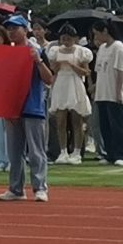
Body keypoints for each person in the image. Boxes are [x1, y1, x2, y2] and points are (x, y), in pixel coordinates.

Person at [0, 16, 52, 202]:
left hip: (32, 106)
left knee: (36, 151)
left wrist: (38, 61)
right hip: (13, 107)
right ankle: (16, 188)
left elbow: (49, 79)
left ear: (25, 30)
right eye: (9, 29)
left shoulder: (37, 50)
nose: (11, 32)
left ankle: (40, 187)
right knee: (14, 152)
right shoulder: (8, 53)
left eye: (15, 28)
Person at [45, 26, 94, 164]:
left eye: (68, 39)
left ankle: (77, 152)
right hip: (61, 84)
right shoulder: (55, 51)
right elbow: (53, 69)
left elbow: (86, 72)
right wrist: (58, 64)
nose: (66, 41)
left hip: (75, 83)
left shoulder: (81, 51)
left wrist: (72, 65)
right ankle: (63, 151)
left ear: (74, 39)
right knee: (60, 121)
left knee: (77, 120)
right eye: (63, 39)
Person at [91, 21, 123, 167]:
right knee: (105, 125)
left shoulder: (118, 47)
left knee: (119, 125)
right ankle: (109, 153)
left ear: (105, 31)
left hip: (114, 92)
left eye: (97, 33)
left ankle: (122, 154)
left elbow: (120, 70)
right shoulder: (102, 48)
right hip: (102, 92)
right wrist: (96, 89)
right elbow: (99, 70)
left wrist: (119, 92)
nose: (96, 37)